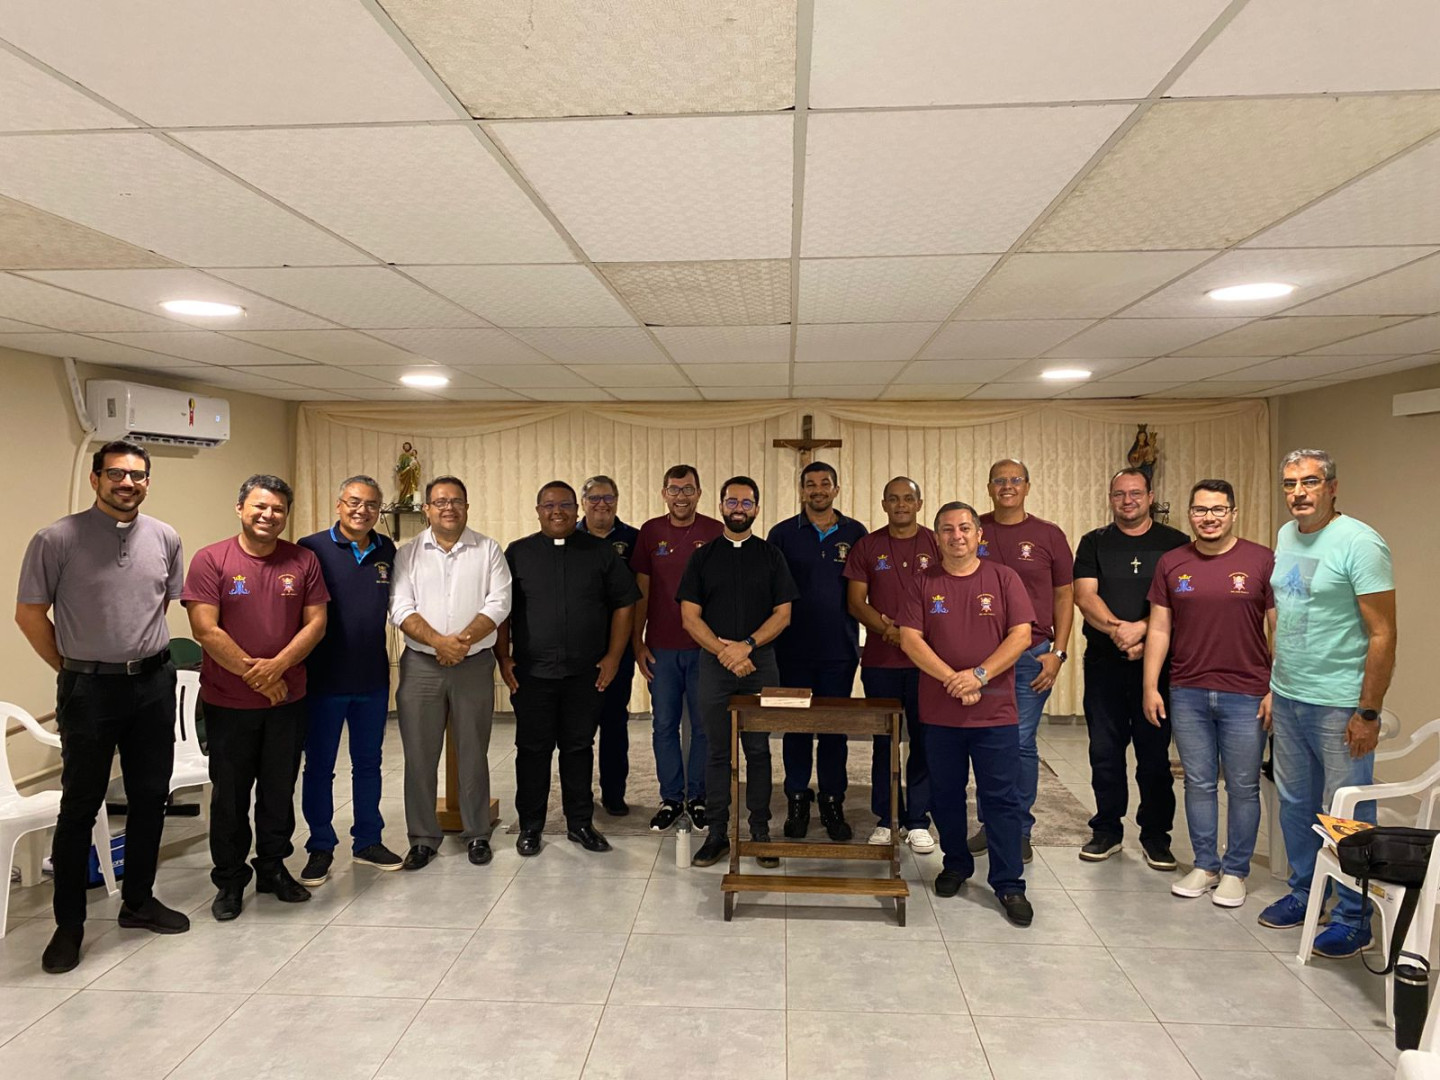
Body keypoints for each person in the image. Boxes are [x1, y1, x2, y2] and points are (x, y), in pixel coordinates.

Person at [16, 440, 190, 973]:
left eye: (138, 475)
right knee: (80, 806)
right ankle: (69, 926)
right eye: (116, 473)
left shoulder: (165, 537)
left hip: (153, 684)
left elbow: (158, 603)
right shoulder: (55, 540)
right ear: (95, 480)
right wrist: (75, 670)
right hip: (88, 689)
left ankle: (138, 902)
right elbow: (29, 616)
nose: (127, 483)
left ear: (147, 482)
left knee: (148, 796)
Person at [1257, 449, 1396, 958]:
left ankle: (1355, 915)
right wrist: (1275, 685)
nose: (1299, 492)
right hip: (1291, 694)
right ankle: (1304, 893)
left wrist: (1368, 711)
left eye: (1310, 482)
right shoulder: (1286, 535)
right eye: (1290, 483)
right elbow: (1287, 619)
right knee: (1296, 805)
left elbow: (1383, 634)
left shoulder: (1360, 542)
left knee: (1347, 811)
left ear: (1332, 487)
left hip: (1339, 703)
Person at [183, 474, 329, 920]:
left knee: (278, 790)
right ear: (241, 508)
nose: (268, 516)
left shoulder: (303, 560)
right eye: (260, 507)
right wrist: (259, 675)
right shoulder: (211, 560)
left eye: (278, 509)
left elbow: (316, 623)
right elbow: (205, 629)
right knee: (230, 796)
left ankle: (271, 868)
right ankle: (229, 881)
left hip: (288, 701)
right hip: (230, 703)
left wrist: (278, 667)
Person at [898, 502, 1036, 927]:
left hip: (995, 712)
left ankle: (1009, 881)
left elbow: (1022, 635)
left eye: (964, 528)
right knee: (946, 796)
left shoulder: (1004, 578)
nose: (956, 535)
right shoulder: (922, 583)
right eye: (946, 529)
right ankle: (956, 864)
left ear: (979, 534)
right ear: (936, 537)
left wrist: (978, 676)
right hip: (940, 713)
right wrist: (953, 680)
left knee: (1001, 799)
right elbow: (910, 640)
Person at [1143, 479, 1275, 908]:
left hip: (1246, 693)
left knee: (1242, 787)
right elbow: (1160, 628)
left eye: (1218, 509)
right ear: (1190, 514)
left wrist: (1276, 687)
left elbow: (1280, 629)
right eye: (1200, 510)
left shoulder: (1261, 560)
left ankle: (1236, 870)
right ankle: (1205, 864)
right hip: (1188, 691)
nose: (1209, 517)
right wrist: (1151, 685)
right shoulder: (1172, 562)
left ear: (1233, 513)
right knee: (1198, 784)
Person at [497, 481, 639, 857]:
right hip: (532, 673)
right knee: (532, 750)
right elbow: (501, 610)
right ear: (537, 510)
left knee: (578, 748)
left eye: (564, 505)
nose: (556, 511)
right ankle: (530, 825)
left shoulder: (601, 552)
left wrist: (613, 656)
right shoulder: (518, 553)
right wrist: (502, 656)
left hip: (585, 672)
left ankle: (579, 823)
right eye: (548, 505)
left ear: (577, 510)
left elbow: (626, 602)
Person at [389, 475, 511, 870]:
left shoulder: (488, 549)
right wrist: (440, 643)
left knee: (474, 752)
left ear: (467, 506)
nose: (448, 508)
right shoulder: (407, 553)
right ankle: (423, 838)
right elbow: (400, 606)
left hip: (473, 664)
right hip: (422, 665)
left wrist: (460, 642)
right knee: (420, 756)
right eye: (439, 501)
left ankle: (477, 833)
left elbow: (499, 603)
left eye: (456, 500)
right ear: (426, 508)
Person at [679, 476, 799, 868]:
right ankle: (717, 833)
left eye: (746, 503)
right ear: (720, 506)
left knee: (758, 749)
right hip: (715, 663)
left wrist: (746, 646)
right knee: (717, 751)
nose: (738, 509)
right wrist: (725, 652)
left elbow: (783, 614)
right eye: (732, 502)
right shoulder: (702, 557)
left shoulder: (770, 556)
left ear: (757, 509)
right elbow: (689, 616)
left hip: (759, 661)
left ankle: (760, 832)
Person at [1072, 467, 1189, 869]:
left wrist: (1145, 632)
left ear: (1150, 496)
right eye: (1119, 494)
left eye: (1135, 493)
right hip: (1105, 663)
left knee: (1154, 756)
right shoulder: (1094, 543)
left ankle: (1156, 836)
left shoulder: (1176, 545)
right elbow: (1085, 597)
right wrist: (1121, 631)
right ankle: (1107, 830)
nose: (1128, 501)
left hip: (1157, 668)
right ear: (1111, 498)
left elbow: (1182, 602)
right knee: (1104, 751)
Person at [295, 475, 402, 886]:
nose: (363, 511)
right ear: (338, 504)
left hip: (372, 678)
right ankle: (320, 846)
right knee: (320, 767)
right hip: (322, 680)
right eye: (354, 502)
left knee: (369, 764)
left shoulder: (385, 550)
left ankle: (368, 841)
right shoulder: (311, 548)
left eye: (372, 505)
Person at [969, 458, 1074, 864]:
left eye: (1015, 480)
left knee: (1019, 742)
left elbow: (1065, 595)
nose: (1007, 486)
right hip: (984, 660)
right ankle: (989, 823)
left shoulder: (1048, 535)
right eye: (1000, 480)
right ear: (989, 487)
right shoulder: (974, 530)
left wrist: (1058, 653)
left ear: (1027, 487)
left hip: (1032, 656)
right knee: (987, 742)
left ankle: (1018, 828)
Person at [766, 461, 867, 841]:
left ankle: (831, 800)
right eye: (810, 484)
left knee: (833, 732)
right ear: (801, 490)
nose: (818, 490)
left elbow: (868, 588)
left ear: (836, 489)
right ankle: (796, 798)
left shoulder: (856, 533)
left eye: (825, 483)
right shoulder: (781, 535)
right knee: (795, 729)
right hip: (790, 650)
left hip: (839, 650)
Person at [843, 476, 939, 853]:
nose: (901, 505)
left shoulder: (936, 542)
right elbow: (855, 601)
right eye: (893, 499)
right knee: (885, 739)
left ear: (919, 503)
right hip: (881, 659)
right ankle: (886, 817)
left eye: (908, 499)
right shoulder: (868, 545)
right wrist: (890, 630)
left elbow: (949, 591)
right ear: (884, 504)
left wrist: (913, 637)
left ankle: (917, 820)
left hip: (927, 662)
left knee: (924, 740)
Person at [631, 464, 723, 831]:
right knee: (664, 725)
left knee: (703, 727)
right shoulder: (651, 532)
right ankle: (671, 798)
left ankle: (698, 797)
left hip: (704, 648)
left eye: (688, 490)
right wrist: (637, 643)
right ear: (664, 493)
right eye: (674, 489)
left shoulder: (715, 531)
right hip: (662, 649)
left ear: (699, 493)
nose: (681, 496)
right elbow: (641, 591)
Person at [576, 474, 640, 817]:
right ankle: (580, 796)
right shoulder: (568, 537)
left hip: (620, 649)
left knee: (615, 723)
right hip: (576, 651)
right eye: (594, 498)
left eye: (608, 498)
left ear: (617, 500)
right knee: (579, 729)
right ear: (583, 503)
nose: (602, 504)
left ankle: (614, 793)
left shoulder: (633, 539)